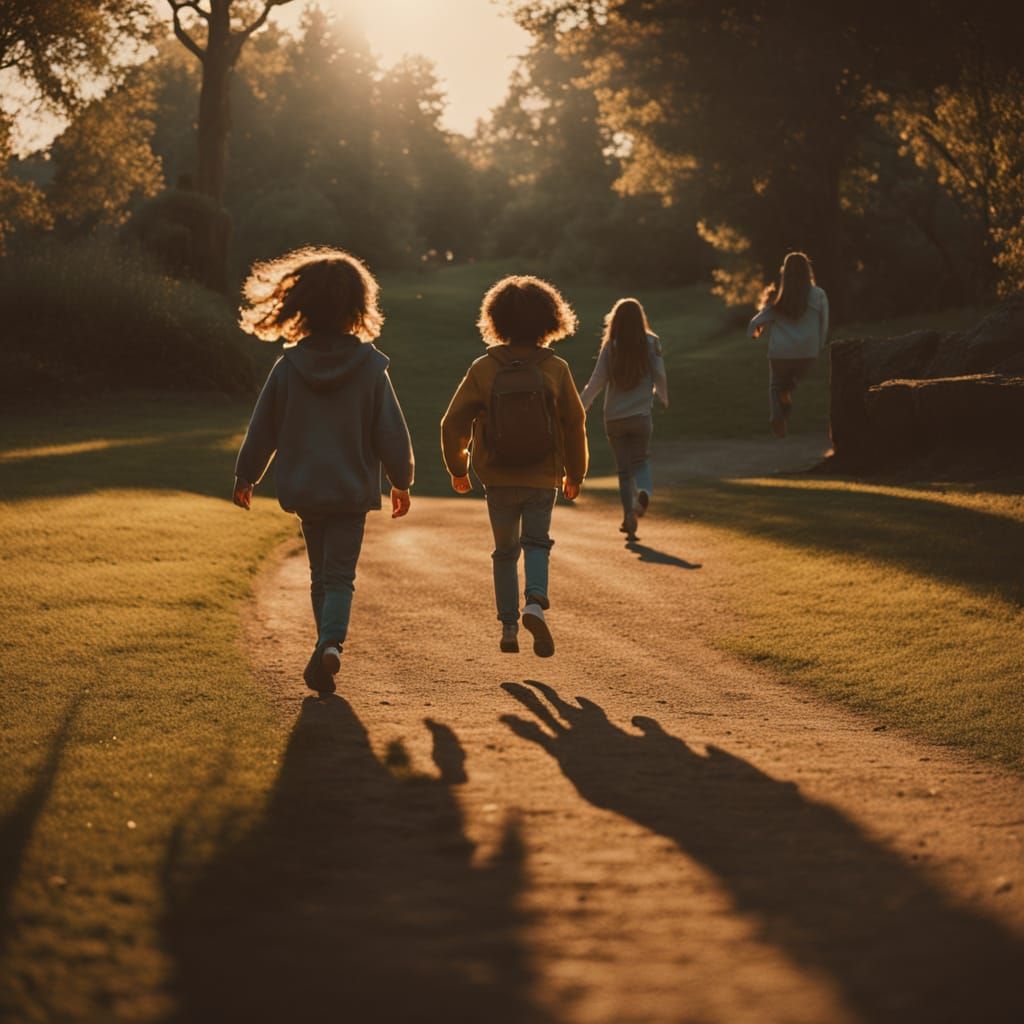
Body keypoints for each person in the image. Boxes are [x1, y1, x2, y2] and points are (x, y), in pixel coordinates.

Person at [233, 246, 414, 695]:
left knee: (320, 574)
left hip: (307, 489)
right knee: (340, 576)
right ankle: (330, 643)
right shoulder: (371, 367)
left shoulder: (288, 367)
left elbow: (264, 428)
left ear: (301, 306)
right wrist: (401, 480)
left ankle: (323, 647)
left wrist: (247, 474)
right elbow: (389, 430)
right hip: (350, 491)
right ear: (357, 306)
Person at [440, 275, 588, 658]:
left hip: (498, 477)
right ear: (548, 319)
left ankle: (508, 626)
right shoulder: (556, 368)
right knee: (537, 541)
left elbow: (452, 423)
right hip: (543, 477)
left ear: (497, 319)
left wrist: (459, 468)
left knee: (505, 551)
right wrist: (576, 472)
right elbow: (575, 423)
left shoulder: (484, 368)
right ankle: (534, 602)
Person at [579, 297, 669, 538]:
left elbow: (597, 380)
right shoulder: (652, 343)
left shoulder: (611, 347)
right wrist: (663, 396)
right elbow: (659, 374)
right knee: (641, 462)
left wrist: (581, 405)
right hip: (640, 416)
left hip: (615, 418)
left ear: (615, 321)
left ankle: (628, 516)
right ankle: (645, 495)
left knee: (623, 472)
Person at [747, 251, 829, 438]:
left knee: (775, 385)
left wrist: (754, 335)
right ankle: (787, 391)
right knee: (790, 381)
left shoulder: (779, 299)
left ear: (785, 273)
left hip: (780, 353)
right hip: (807, 352)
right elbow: (824, 324)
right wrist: (819, 346)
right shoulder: (819, 295)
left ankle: (777, 414)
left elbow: (754, 324)